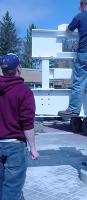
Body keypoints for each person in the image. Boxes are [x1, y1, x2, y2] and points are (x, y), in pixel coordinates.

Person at [0, 53, 39, 200]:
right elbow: (27, 124)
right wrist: (33, 148)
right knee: (12, 189)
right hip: (14, 147)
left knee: (2, 186)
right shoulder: (24, 92)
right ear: (19, 69)